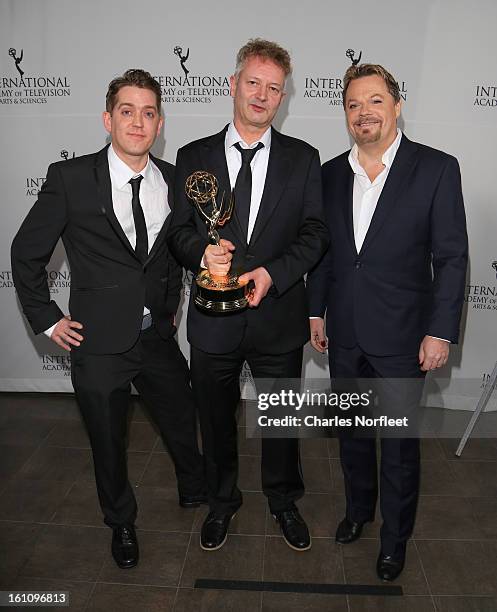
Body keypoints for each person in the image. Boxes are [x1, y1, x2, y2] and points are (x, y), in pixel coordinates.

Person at [11, 69, 206, 570]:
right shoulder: (72, 179)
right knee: (108, 440)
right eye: (127, 111)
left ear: (159, 122)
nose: (137, 122)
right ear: (107, 118)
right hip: (97, 343)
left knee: (183, 418)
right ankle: (120, 521)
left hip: (157, 336)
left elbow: (174, 251)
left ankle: (194, 485)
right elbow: (26, 252)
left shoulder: (174, 180)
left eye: (147, 113)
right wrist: (47, 319)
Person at [307, 63, 468, 581]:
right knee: (353, 434)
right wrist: (316, 310)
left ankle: (394, 538)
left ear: (397, 106)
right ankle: (358, 512)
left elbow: (451, 259)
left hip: (404, 337)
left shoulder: (437, 169)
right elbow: (325, 254)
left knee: (398, 447)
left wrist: (440, 330)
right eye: (353, 104)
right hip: (346, 332)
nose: (364, 112)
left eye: (375, 101)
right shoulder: (330, 173)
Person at [167, 39, 328, 552]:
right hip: (212, 318)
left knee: (279, 420)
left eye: (274, 88)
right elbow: (178, 232)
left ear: (283, 96)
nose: (262, 95)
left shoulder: (304, 159)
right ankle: (221, 503)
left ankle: (283, 500)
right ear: (232, 84)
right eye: (253, 82)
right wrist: (201, 256)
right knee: (214, 420)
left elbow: (315, 234)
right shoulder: (193, 157)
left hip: (278, 315)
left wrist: (271, 274)